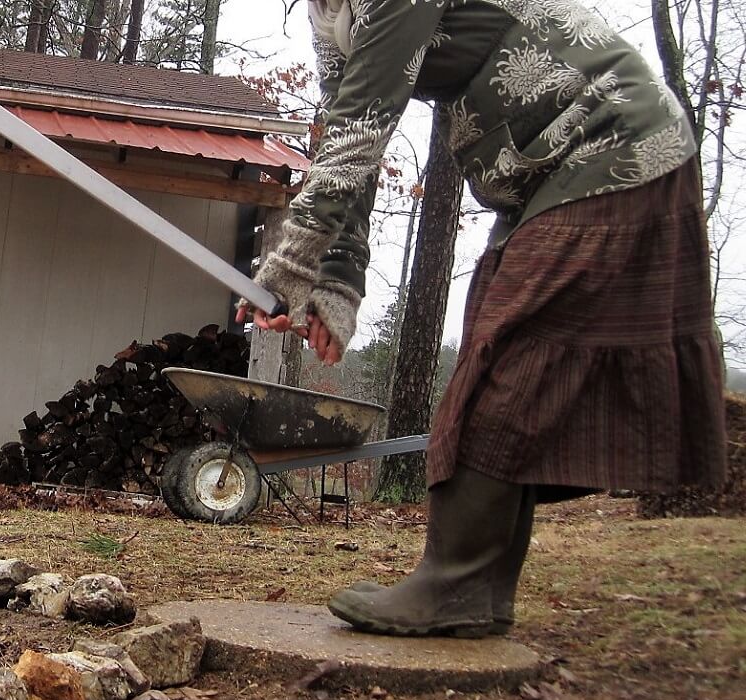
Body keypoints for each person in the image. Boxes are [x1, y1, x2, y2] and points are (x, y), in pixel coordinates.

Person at [236, 0, 728, 637]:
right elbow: (343, 130)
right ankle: (477, 591)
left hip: (608, 141)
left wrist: (289, 264)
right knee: (500, 353)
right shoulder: (327, 15)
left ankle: (456, 584)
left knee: (508, 355)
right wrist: (336, 282)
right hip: (541, 170)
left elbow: (365, 124)